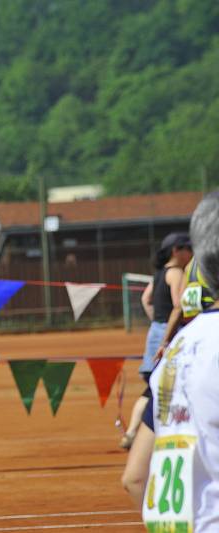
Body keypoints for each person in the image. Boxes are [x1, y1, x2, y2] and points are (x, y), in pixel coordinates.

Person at [144, 190, 219, 531]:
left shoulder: (179, 348)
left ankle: (133, 428)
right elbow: (176, 305)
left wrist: (164, 337)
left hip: (171, 342)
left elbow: (134, 478)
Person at [120, 232, 192, 449]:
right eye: (187, 249)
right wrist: (172, 331)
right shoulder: (177, 272)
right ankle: (139, 433)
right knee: (163, 387)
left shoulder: (159, 273)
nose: (191, 253)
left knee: (154, 386)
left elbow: (146, 299)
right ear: (176, 251)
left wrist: (157, 323)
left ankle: (133, 432)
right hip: (170, 335)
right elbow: (179, 305)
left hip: (156, 331)